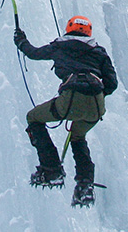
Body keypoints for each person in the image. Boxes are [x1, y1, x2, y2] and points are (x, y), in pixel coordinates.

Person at [13, 15, 118, 207]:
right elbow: (112, 84)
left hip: (71, 98)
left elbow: (34, 53)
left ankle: (51, 169)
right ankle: (85, 186)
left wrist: (21, 41)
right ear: (89, 32)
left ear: (69, 28)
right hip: (96, 105)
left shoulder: (60, 46)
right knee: (78, 137)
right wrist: (94, 96)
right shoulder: (99, 52)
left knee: (33, 117)